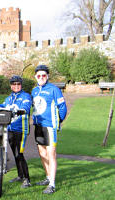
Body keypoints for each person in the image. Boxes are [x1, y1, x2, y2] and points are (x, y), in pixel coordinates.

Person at [31, 65, 67, 194]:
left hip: (50, 126)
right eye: (38, 75)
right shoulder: (34, 90)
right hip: (38, 126)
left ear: (48, 76)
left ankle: (52, 184)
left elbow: (62, 107)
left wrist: (58, 122)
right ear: (36, 77)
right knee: (42, 154)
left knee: (51, 154)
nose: (41, 77)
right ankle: (48, 177)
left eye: (43, 75)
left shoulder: (54, 89)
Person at [0, 75, 32, 189]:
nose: (16, 86)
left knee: (19, 154)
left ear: (21, 85)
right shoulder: (9, 98)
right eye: (14, 84)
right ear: (11, 86)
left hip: (21, 129)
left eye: (18, 84)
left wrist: (22, 110)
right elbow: (3, 105)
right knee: (15, 154)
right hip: (10, 129)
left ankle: (27, 179)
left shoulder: (26, 96)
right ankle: (20, 176)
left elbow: (26, 106)